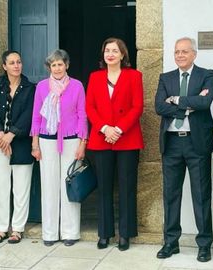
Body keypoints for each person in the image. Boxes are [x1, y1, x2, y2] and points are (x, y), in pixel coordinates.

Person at [154, 37, 213, 262]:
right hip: (171, 143)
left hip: (196, 143)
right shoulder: (166, 77)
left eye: (184, 52)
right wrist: (189, 104)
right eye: (177, 52)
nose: (180, 55)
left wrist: (177, 99)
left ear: (194, 54)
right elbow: (159, 106)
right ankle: (171, 242)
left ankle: (204, 244)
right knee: (171, 195)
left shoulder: (206, 75)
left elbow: (204, 104)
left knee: (200, 194)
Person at [85, 37, 144, 251]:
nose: (110, 54)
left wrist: (118, 129)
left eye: (115, 50)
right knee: (104, 188)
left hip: (127, 139)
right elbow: (89, 107)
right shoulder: (94, 77)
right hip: (101, 139)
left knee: (127, 188)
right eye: (107, 50)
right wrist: (104, 128)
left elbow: (137, 107)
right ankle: (104, 233)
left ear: (122, 55)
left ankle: (125, 235)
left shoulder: (134, 76)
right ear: (103, 55)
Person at [31, 49, 87, 247]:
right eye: (53, 65)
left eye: (60, 64)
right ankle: (49, 233)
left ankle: (70, 232)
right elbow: (36, 116)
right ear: (49, 67)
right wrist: (34, 143)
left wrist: (83, 143)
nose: (57, 68)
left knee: (69, 184)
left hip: (71, 140)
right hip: (47, 140)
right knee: (49, 186)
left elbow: (82, 114)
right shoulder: (42, 86)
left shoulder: (77, 86)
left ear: (67, 65)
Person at [0, 50, 35, 244]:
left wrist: (11, 134)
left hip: (22, 144)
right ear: (4, 66)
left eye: (19, 62)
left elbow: (29, 115)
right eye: (12, 63)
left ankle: (17, 229)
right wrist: (1, 136)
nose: (17, 66)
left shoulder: (30, 88)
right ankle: (1, 228)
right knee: (1, 187)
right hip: (0, 144)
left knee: (21, 188)